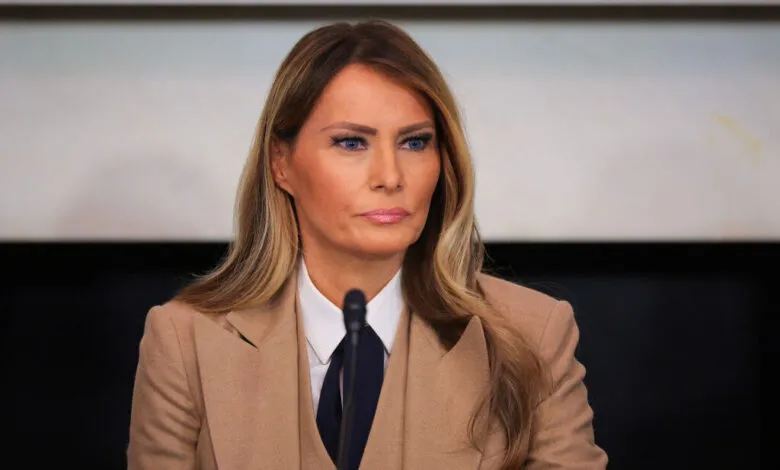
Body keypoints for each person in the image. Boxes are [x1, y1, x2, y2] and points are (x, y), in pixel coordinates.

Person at [127, 19, 607, 470]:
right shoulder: (184, 340)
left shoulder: (533, 334)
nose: (390, 177)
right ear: (281, 163)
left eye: (415, 143)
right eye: (352, 143)